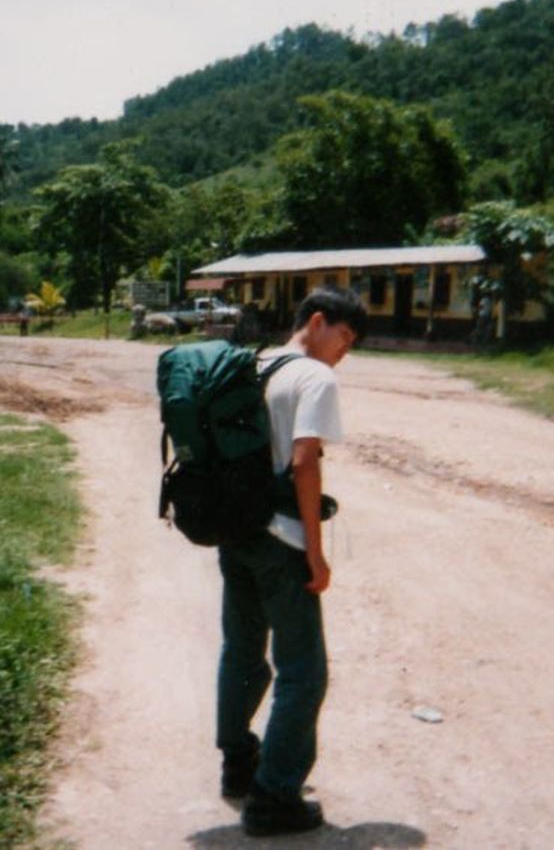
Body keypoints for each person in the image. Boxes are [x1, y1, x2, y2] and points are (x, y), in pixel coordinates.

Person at [215, 286, 366, 837]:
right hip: (280, 538)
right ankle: (274, 797)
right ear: (318, 321)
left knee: (242, 652)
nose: (344, 352)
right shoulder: (315, 377)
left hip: (237, 532)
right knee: (304, 673)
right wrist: (316, 555)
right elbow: (305, 463)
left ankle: (238, 766)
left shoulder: (255, 364)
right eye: (345, 338)